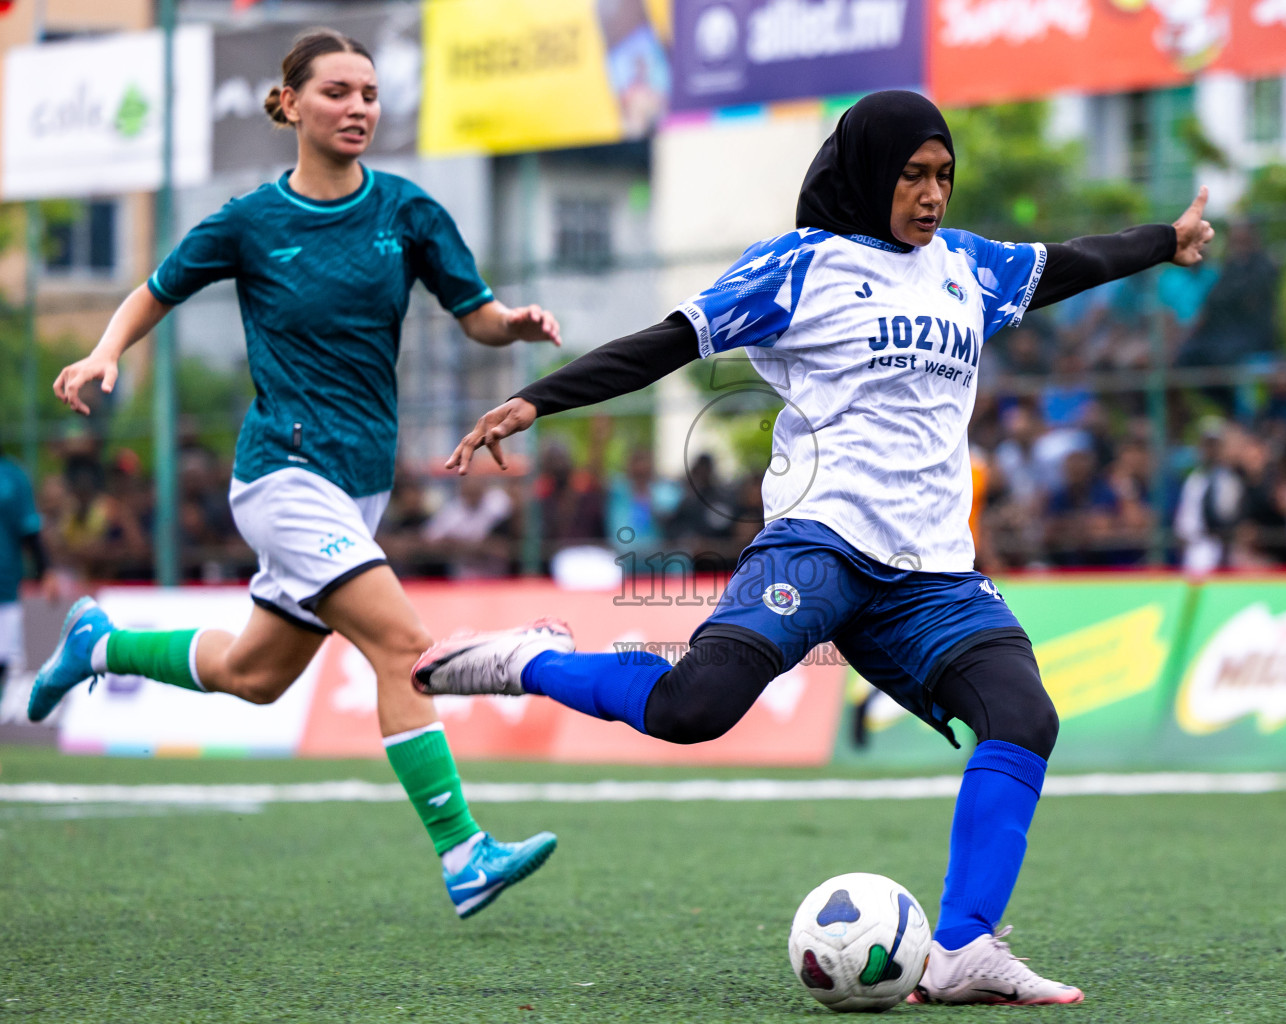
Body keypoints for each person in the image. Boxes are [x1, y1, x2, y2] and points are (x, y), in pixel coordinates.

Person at [414, 92, 1213, 1003]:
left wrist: (1164, 240)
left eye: (944, 176)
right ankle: (529, 661)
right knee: (693, 708)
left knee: (1024, 717)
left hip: (935, 575)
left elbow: (1068, 262)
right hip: (820, 546)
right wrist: (538, 400)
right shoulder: (802, 269)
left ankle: (962, 949)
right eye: (913, 175)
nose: (931, 196)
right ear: (870, 173)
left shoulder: (967, 269)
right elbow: (669, 343)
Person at [29, 29, 561, 919]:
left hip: (360, 485)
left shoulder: (410, 212)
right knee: (403, 646)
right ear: (291, 106)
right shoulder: (249, 221)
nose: (359, 108)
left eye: (369, 94)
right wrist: (104, 353)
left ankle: (99, 646)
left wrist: (515, 324)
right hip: (282, 475)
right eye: (338, 93)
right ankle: (464, 852)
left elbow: (475, 317)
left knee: (255, 674)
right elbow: (154, 288)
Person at [1, 454, 59, 708]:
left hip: (4, 586)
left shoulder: (12, 477)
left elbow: (29, 529)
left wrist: (46, 570)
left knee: (4, 659)